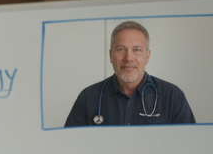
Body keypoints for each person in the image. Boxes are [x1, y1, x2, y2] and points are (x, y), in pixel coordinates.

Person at [64, 20, 195, 127]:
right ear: (111, 55)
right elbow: (71, 148)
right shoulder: (88, 98)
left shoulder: (172, 97)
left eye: (136, 50)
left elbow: (189, 147)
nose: (128, 58)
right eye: (121, 49)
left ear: (147, 56)